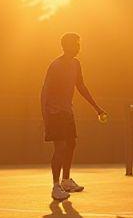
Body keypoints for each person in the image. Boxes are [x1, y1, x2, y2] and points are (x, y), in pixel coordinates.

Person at [41, 33, 106, 201]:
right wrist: (46, 116)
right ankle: (56, 187)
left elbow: (81, 86)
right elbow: (45, 91)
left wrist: (97, 108)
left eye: (79, 44)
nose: (78, 47)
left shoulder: (76, 64)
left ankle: (66, 181)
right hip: (54, 113)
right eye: (75, 44)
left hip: (67, 112)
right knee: (60, 148)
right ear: (66, 46)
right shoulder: (56, 66)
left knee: (71, 144)